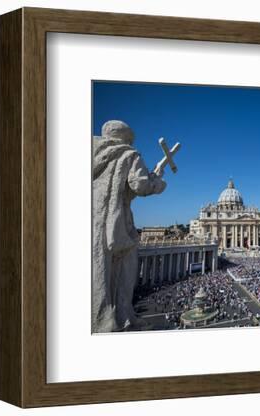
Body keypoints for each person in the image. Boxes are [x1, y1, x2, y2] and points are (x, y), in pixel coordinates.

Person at [92, 120, 166, 332]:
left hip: (92, 217)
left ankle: (100, 320)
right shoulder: (128, 154)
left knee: (98, 270)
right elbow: (140, 186)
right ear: (127, 137)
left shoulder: (89, 152)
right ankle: (120, 317)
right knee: (123, 269)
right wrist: (158, 180)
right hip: (115, 219)